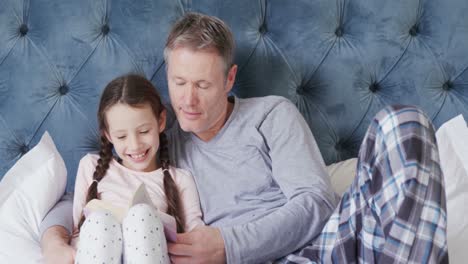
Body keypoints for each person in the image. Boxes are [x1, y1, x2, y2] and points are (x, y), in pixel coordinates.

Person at [40, 12, 448, 264]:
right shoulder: (159, 137)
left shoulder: (271, 114)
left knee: (404, 123)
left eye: (203, 83)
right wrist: (55, 243)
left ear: (230, 78)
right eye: (179, 82)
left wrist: (227, 246)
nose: (188, 100)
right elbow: (91, 190)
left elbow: (317, 204)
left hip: (323, 246)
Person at [70, 74, 204, 263]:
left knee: (141, 215)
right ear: (108, 135)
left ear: (161, 121)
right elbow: (75, 235)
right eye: (122, 137)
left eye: (143, 131)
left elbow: (197, 244)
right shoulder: (90, 166)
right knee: (100, 221)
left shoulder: (180, 179)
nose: (135, 145)